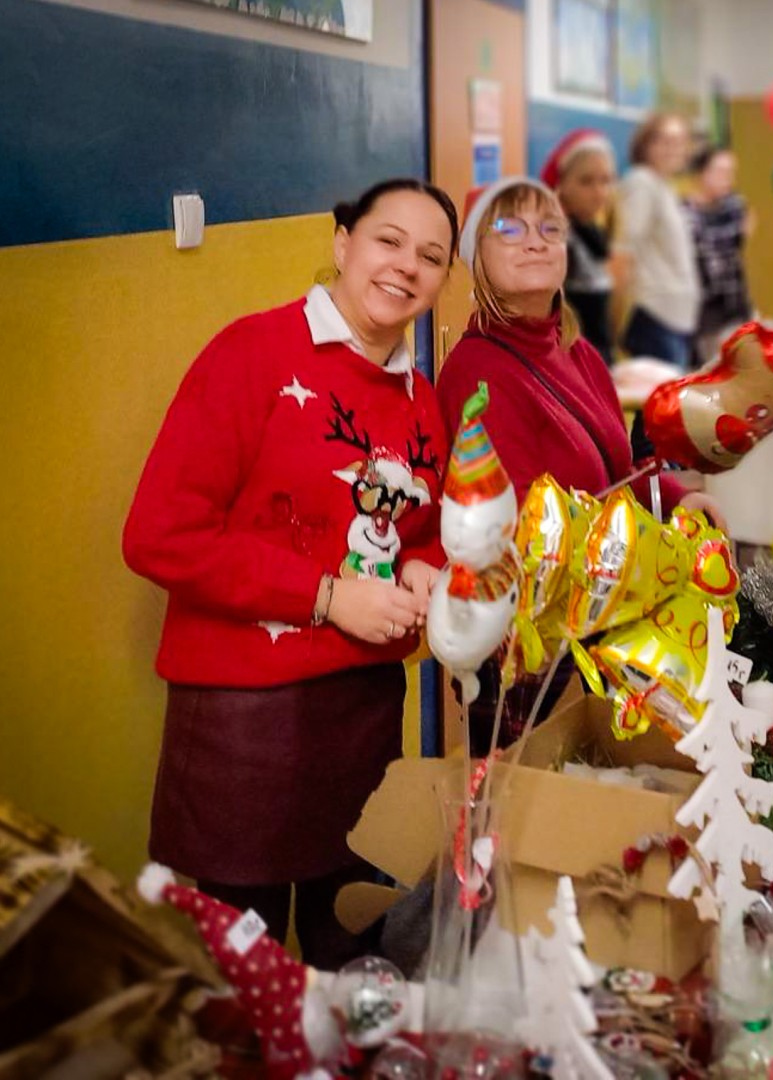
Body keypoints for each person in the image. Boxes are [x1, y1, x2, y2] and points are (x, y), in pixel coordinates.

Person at [122, 178, 458, 968]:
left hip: (367, 714)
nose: (406, 266)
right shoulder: (253, 354)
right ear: (342, 242)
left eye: (432, 256)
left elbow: (430, 531)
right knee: (250, 976)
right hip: (247, 726)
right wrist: (326, 596)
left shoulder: (421, 398)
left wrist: (423, 567)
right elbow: (159, 536)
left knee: (356, 954)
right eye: (388, 241)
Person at [437, 176, 721, 748]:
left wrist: (680, 497)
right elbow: (517, 532)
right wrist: (654, 554)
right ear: (474, 255)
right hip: (534, 649)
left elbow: (615, 472)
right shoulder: (477, 371)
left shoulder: (577, 352)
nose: (535, 242)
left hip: (597, 618)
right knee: (534, 819)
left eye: (550, 229)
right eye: (508, 228)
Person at [615, 112, 701, 368]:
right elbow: (623, 250)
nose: (672, 149)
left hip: (677, 317)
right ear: (645, 145)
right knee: (664, 406)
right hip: (654, 314)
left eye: (679, 142)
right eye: (663, 141)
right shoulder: (641, 183)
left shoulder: (665, 186)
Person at [541, 128, 619, 365]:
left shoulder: (591, 233)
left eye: (606, 181)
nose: (599, 193)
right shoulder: (554, 239)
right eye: (586, 181)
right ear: (560, 182)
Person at [685, 145, 755, 365]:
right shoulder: (685, 211)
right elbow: (704, 248)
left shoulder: (735, 206)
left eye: (731, 173)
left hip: (734, 301)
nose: (727, 179)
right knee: (709, 372)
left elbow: (732, 241)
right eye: (721, 171)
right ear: (702, 173)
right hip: (702, 308)